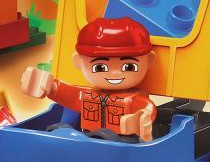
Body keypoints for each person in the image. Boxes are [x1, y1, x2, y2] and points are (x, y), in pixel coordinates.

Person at [21, 17, 156, 141]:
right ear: (78, 62)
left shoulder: (134, 99)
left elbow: (147, 109)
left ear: (149, 60)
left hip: (122, 140)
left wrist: (139, 119)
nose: (115, 74)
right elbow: (71, 96)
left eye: (129, 66)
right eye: (100, 67)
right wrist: (50, 87)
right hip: (86, 136)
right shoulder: (87, 95)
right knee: (61, 131)